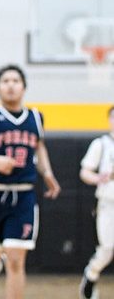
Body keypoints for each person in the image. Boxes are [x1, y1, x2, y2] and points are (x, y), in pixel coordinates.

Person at [0, 64, 61, 299]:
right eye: (5, 81)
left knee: (16, 260)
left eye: (15, 81)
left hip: (24, 197)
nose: (11, 85)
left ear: (24, 87)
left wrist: (48, 175)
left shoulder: (36, 118)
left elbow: (39, 147)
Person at [79, 105, 114, 299]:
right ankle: (90, 275)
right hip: (108, 204)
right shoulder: (101, 144)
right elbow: (85, 172)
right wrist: (99, 178)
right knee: (106, 251)